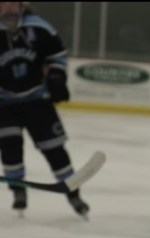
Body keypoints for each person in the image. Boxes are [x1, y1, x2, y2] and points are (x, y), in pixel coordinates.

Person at [0, 1, 88, 218]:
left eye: (13, 3)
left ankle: (73, 193)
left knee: (54, 148)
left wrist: (57, 78)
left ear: (21, 5)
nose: (8, 7)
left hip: (37, 99)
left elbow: (57, 56)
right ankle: (18, 190)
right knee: (10, 146)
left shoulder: (39, 27)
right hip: (4, 103)